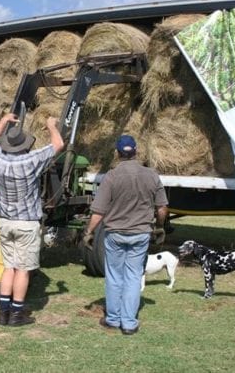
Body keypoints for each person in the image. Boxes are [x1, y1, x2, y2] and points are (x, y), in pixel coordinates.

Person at [82, 134, 168, 335]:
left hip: (115, 234)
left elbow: (99, 212)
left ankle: (113, 318)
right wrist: (160, 226)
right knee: (133, 277)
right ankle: (129, 323)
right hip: (140, 234)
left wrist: (89, 232)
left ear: (117, 153)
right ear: (136, 151)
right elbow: (162, 208)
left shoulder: (111, 176)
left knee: (114, 276)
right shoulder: (151, 175)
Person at [0, 113, 64, 326]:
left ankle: (3, 312)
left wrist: (3, 121)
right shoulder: (32, 160)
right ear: (25, 145)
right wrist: (50, 125)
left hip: (5, 222)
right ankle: (17, 313)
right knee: (23, 269)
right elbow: (58, 145)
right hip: (26, 223)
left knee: (8, 267)